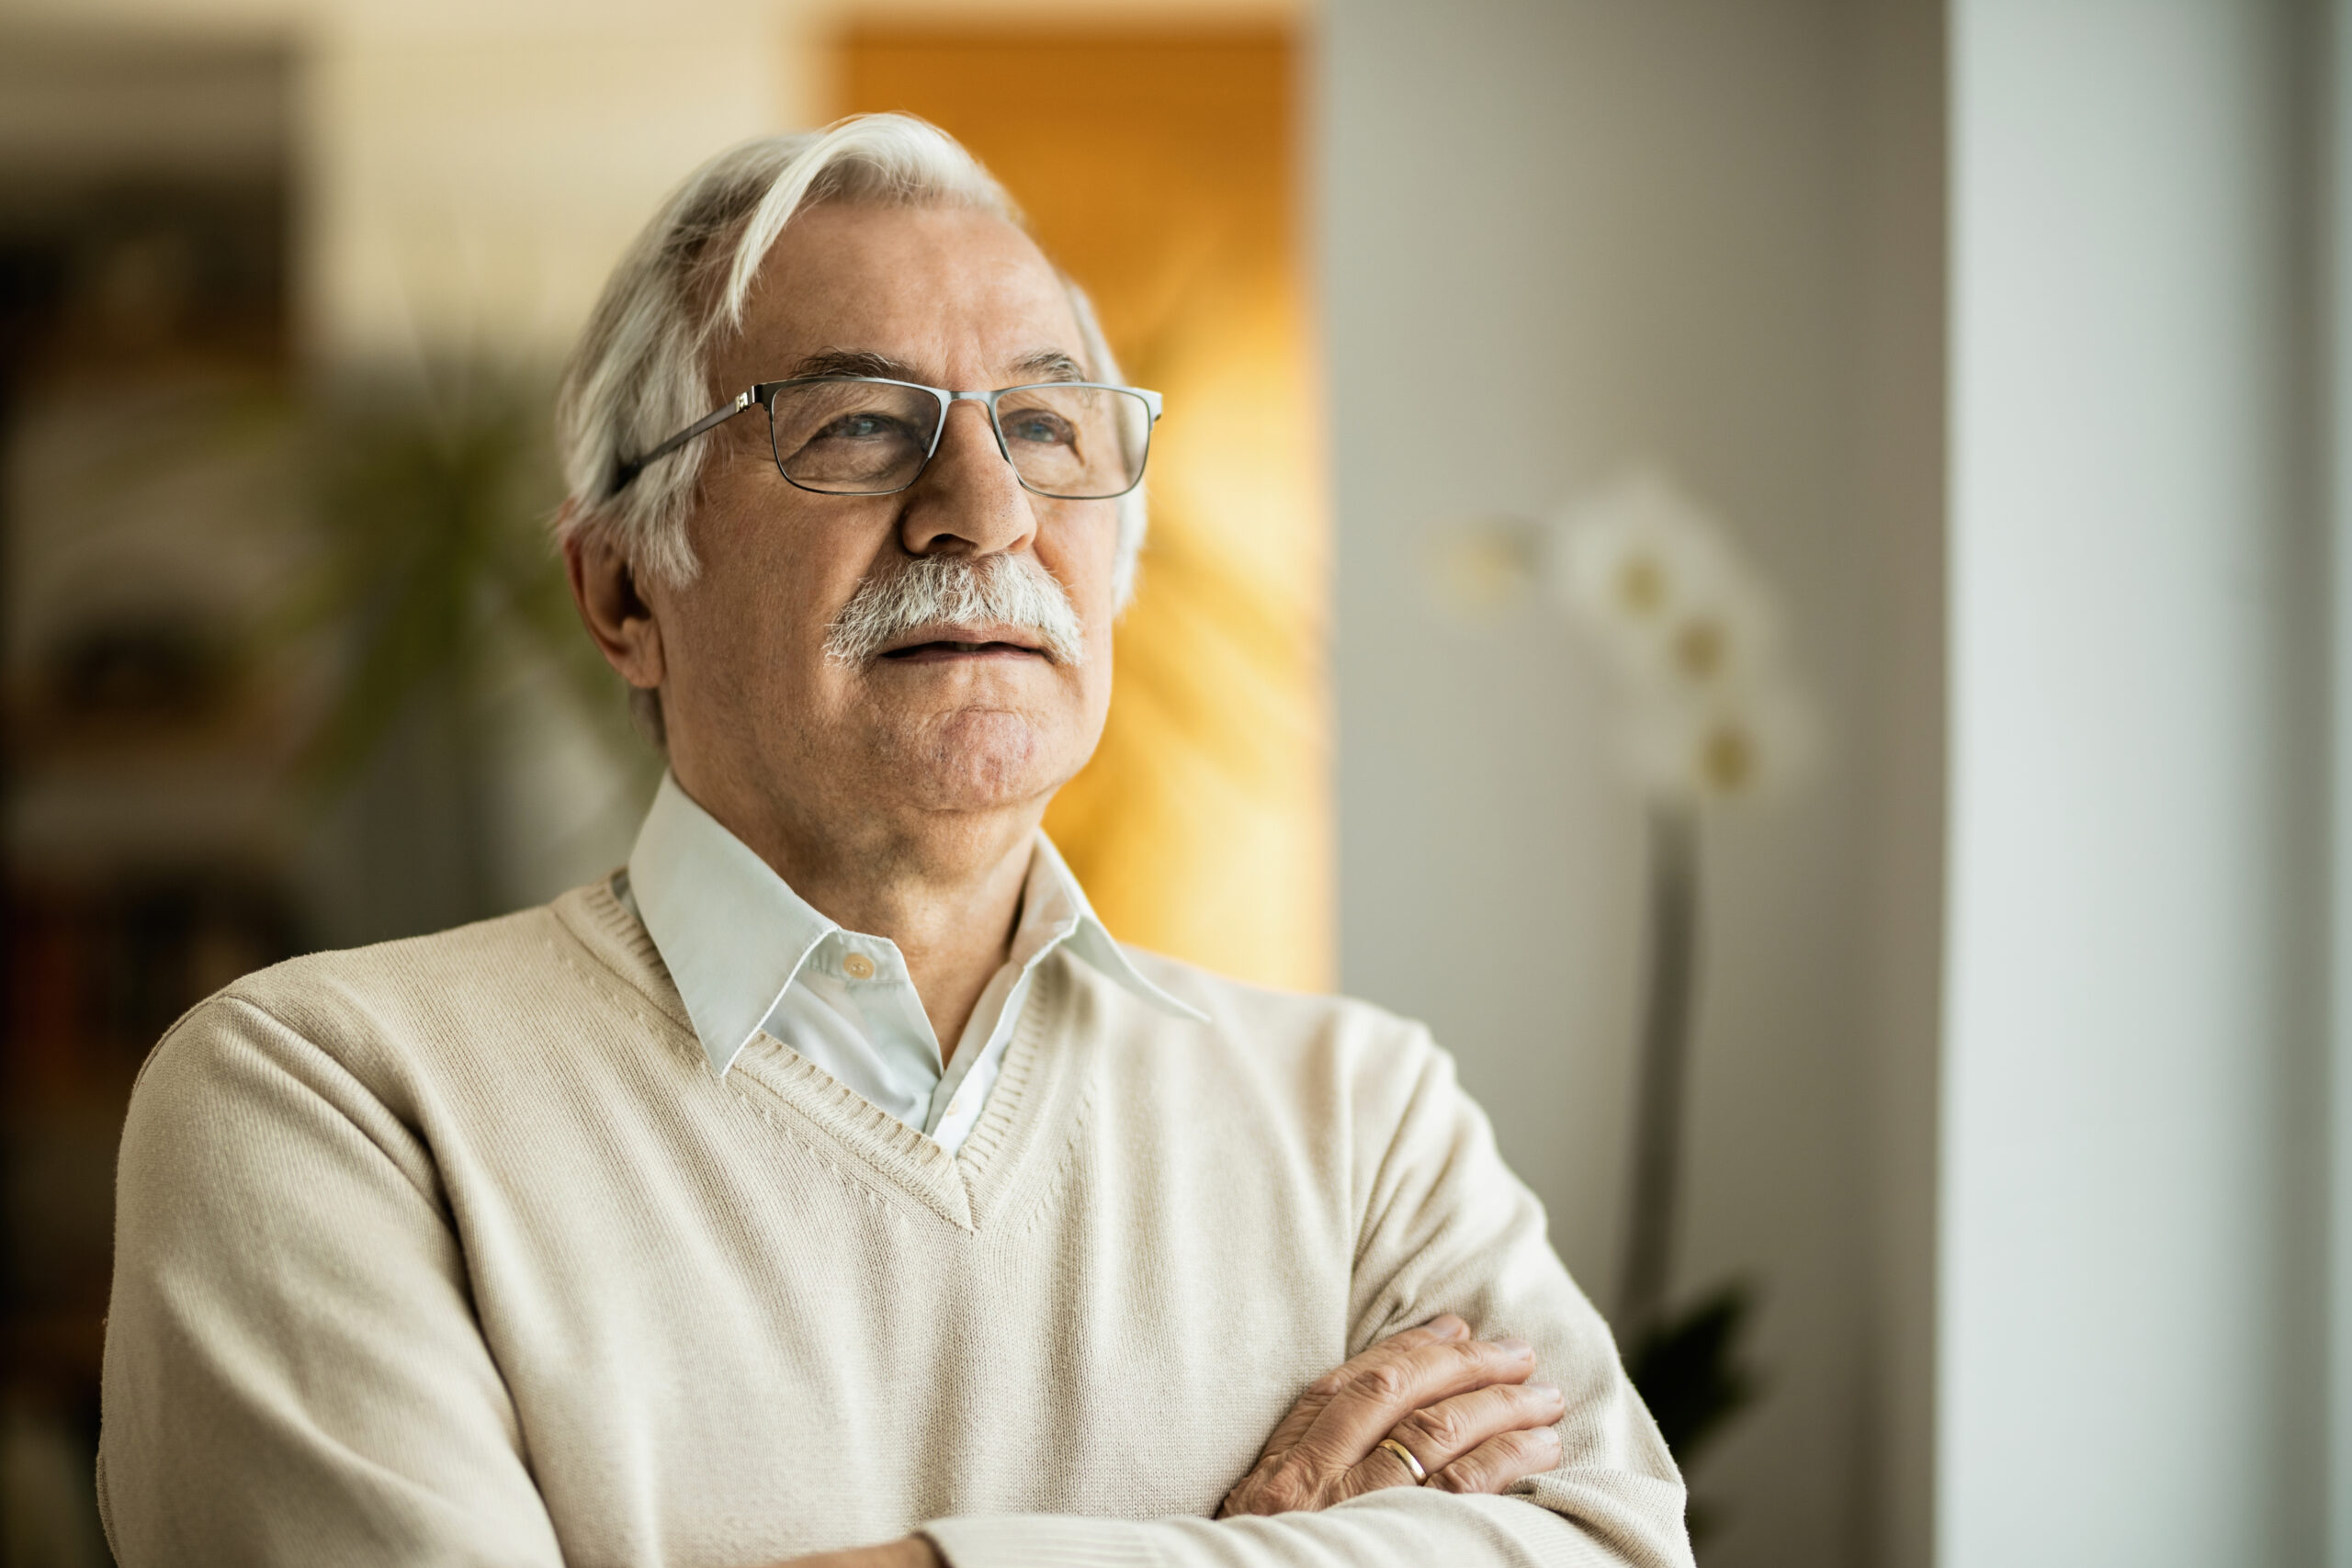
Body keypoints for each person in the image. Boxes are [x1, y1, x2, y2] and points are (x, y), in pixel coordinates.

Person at [97, 114, 1690, 1568]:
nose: (984, 510)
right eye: (858, 424)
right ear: (624, 593)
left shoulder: (1362, 1120)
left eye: (1049, 428)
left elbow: (1619, 1550)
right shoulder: (326, 1103)